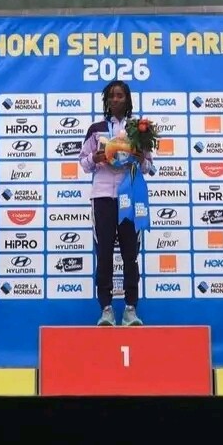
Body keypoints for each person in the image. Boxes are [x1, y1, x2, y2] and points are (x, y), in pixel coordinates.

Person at [80, 80, 152, 327]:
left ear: (127, 99)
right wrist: (96, 157)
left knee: (131, 255)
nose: (115, 99)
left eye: (120, 95)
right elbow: (83, 162)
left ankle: (131, 309)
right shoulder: (96, 129)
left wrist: (140, 157)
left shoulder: (139, 129)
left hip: (130, 197)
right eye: (111, 96)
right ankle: (106, 310)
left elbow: (149, 167)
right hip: (102, 197)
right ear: (106, 100)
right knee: (104, 255)